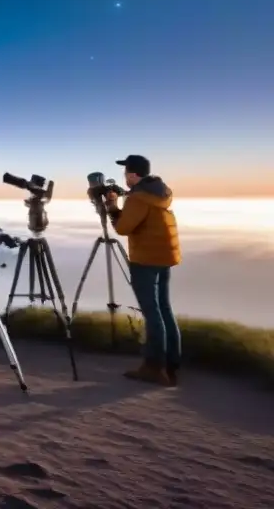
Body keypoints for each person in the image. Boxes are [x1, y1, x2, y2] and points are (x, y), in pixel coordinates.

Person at [105, 154, 182, 386]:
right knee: (164, 309)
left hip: (145, 260)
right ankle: (172, 364)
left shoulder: (138, 199)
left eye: (126, 173)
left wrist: (111, 207)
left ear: (132, 174)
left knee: (152, 313)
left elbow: (123, 228)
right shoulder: (159, 193)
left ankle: (153, 367)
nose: (124, 177)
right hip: (164, 257)